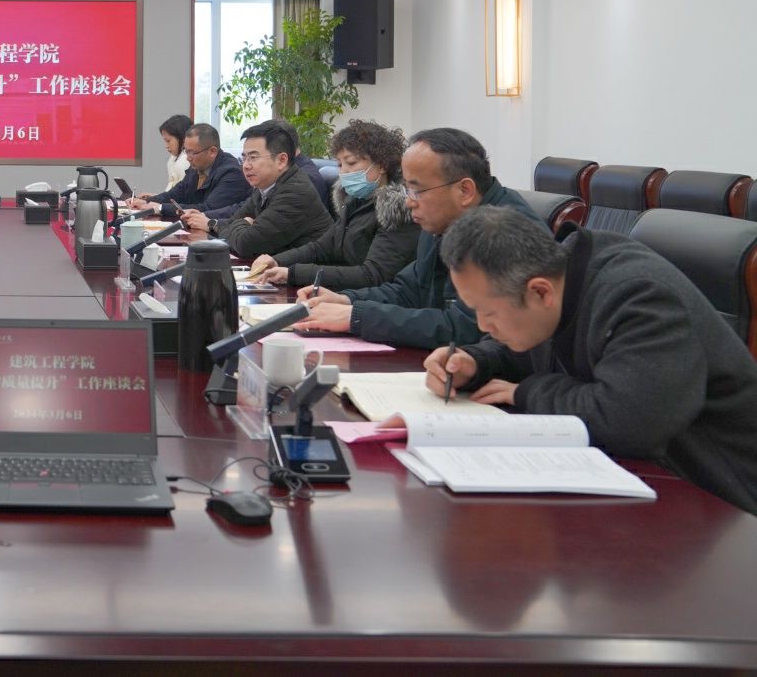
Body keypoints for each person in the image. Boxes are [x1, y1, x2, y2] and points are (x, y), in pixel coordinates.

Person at [426, 206, 757, 515]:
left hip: (720, 504)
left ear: (540, 292)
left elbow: (626, 422)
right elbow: (529, 346)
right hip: (645, 484)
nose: (482, 325)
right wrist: (476, 361)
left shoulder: (638, 297)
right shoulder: (559, 279)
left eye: (488, 312)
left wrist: (526, 392)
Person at [297, 127, 539, 348]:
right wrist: (346, 300)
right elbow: (408, 290)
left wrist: (358, 317)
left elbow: (466, 328)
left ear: (464, 190)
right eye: (407, 189)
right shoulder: (441, 219)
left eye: (417, 190)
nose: (408, 202)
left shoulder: (506, 233)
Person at [246, 119, 419, 290]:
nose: (343, 172)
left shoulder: (397, 210)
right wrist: (277, 260)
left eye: (351, 163)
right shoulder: (354, 201)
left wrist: (293, 273)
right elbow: (320, 248)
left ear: (381, 165)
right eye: (340, 164)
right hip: (344, 295)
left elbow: (372, 275)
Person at [199, 119, 332, 259]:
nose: (246, 166)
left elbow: (246, 245)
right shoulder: (265, 185)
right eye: (244, 158)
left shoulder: (296, 193)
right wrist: (240, 225)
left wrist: (244, 223)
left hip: (307, 270)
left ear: (281, 160)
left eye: (253, 157)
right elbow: (232, 222)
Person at [129, 123, 248, 220]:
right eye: (186, 151)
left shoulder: (232, 172)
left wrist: (161, 208)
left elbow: (208, 208)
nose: (188, 158)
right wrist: (145, 202)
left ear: (212, 151)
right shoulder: (196, 166)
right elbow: (175, 194)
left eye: (193, 153)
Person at [158, 114, 193, 190]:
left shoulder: (185, 161)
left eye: (168, 141)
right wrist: (155, 196)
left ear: (182, 138)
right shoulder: (173, 160)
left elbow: (179, 195)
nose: (166, 146)